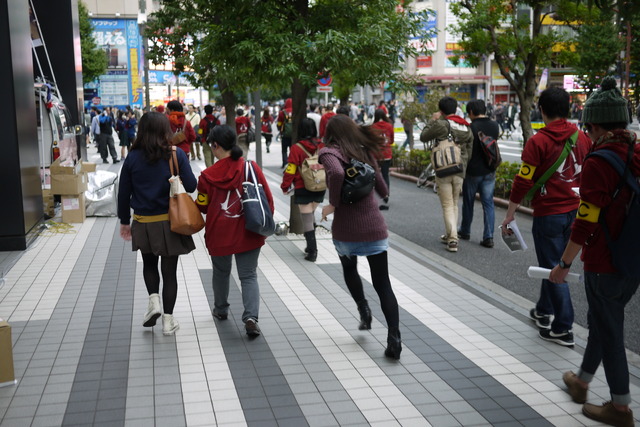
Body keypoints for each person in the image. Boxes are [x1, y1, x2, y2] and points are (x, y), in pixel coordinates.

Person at [549, 77, 639, 427]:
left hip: (605, 260)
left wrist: (563, 263)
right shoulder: (637, 151)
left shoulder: (599, 160)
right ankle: (582, 382)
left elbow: (586, 221)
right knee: (604, 322)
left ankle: (620, 409)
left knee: (612, 331)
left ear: (595, 125)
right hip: (633, 257)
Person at [500, 86, 591, 346]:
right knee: (553, 263)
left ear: (542, 110)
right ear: (568, 107)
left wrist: (510, 214)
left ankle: (563, 327)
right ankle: (543, 310)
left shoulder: (538, 141)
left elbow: (522, 180)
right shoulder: (583, 138)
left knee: (555, 267)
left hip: (549, 213)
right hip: (576, 211)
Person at [318, 115, 401, 360]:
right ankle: (394, 338)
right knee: (383, 282)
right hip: (373, 226)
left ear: (330, 133)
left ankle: (363, 309)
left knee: (349, 268)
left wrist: (333, 204)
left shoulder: (329, 153)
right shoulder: (363, 150)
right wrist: (382, 193)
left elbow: (335, 173)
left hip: (346, 229)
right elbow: (380, 184)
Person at [118, 112, 197, 336]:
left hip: (143, 223)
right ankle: (168, 321)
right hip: (171, 222)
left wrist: (125, 221)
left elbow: (123, 193)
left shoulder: (132, 157)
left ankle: (153, 302)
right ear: (166, 130)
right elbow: (191, 186)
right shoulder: (176, 154)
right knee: (169, 272)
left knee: (149, 264)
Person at [196, 125, 274, 337]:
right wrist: (264, 224)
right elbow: (267, 198)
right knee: (248, 275)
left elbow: (202, 205)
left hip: (219, 232)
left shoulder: (206, 176)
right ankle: (250, 317)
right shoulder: (250, 167)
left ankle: (221, 310)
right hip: (249, 230)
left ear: (215, 146)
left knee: (221, 272)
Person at [420, 96, 474, 253]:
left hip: (444, 169)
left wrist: (432, 120)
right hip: (460, 169)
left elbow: (424, 136)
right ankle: (452, 233)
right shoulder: (465, 126)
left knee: (447, 204)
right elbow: (470, 149)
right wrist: (462, 164)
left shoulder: (441, 124)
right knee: (454, 203)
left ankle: (452, 239)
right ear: (456, 108)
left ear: (441, 110)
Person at [281, 117, 325, 262]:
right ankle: (309, 246)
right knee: (310, 215)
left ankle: (312, 251)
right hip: (320, 185)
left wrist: (285, 186)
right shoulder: (322, 146)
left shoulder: (296, 148)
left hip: (303, 186)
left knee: (306, 219)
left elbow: (291, 169)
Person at [458, 99, 500, 248]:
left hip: (473, 171)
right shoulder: (495, 125)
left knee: (468, 202)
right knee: (488, 203)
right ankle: (488, 237)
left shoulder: (470, 127)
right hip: (490, 170)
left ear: (471, 112)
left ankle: (465, 231)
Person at [371, 109, 394, 210]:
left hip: (375, 154)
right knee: (385, 175)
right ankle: (386, 195)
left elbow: (369, 141)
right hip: (386, 153)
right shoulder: (389, 126)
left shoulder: (372, 127)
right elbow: (392, 140)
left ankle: (374, 196)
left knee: (374, 175)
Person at [277, 98, 293, 168]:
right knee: (292, 149)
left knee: (284, 150)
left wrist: (280, 130)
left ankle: (285, 163)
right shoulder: (296, 111)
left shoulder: (282, 112)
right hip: (293, 134)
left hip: (285, 134)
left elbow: (279, 123)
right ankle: (292, 163)